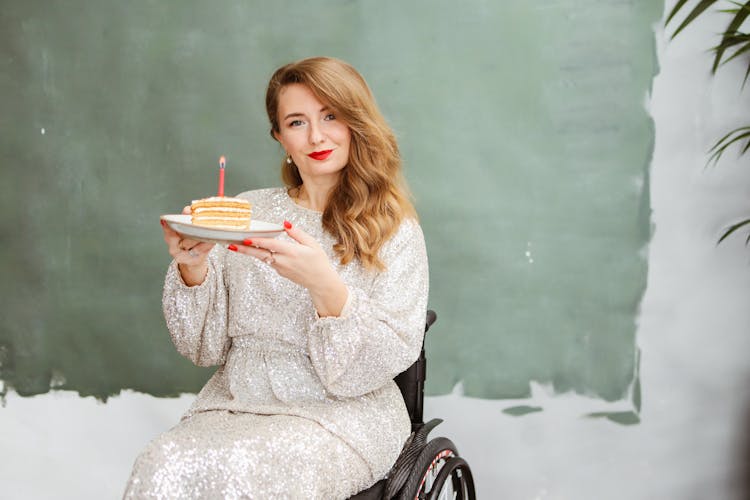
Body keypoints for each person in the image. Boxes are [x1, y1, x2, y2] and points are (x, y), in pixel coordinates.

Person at [123, 56, 429, 499]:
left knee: (260, 474)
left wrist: (324, 284)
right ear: (280, 137)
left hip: (340, 414)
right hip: (236, 402)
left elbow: (370, 367)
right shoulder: (249, 213)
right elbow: (201, 348)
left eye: (330, 116)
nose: (317, 136)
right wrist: (192, 266)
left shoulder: (395, 231)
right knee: (160, 464)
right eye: (297, 122)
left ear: (355, 124)